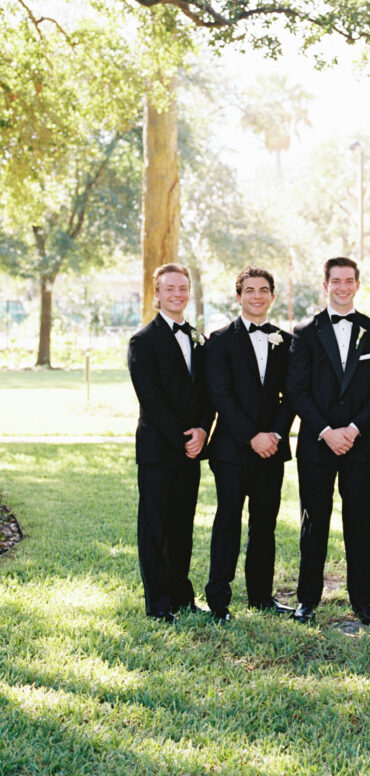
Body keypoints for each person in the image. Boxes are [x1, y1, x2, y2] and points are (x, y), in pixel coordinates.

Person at [287, 256, 370, 624]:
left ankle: (363, 601)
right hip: (317, 443)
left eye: (350, 281)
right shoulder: (304, 332)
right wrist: (327, 431)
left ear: (358, 285)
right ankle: (307, 600)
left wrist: (353, 428)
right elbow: (297, 391)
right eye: (336, 281)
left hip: (360, 444)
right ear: (325, 285)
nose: (343, 287)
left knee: (360, 521)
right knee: (313, 521)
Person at [204, 267, 295, 622]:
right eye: (249, 290)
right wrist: (251, 436)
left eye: (263, 290)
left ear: (272, 295)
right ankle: (218, 601)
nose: (257, 296)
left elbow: (293, 395)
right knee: (228, 521)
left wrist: (274, 434)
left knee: (264, 524)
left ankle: (260, 596)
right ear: (238, 296)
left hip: (272, 449)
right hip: (230, 450)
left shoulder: (286, 342)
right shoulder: (219, 340)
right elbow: (220, 395)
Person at [127, 263, 214, 622]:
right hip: (159, 451)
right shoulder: (142, 341)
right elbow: (152, 399)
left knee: (182, 526)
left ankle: (181, 596)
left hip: (191, 449)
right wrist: (183, 437)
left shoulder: (198, 337)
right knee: (155, 528)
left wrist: (203, 430)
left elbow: (208, 393)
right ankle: (158, 604)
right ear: (157, 294)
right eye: (170, 288)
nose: (177, 294)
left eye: (183, 288)